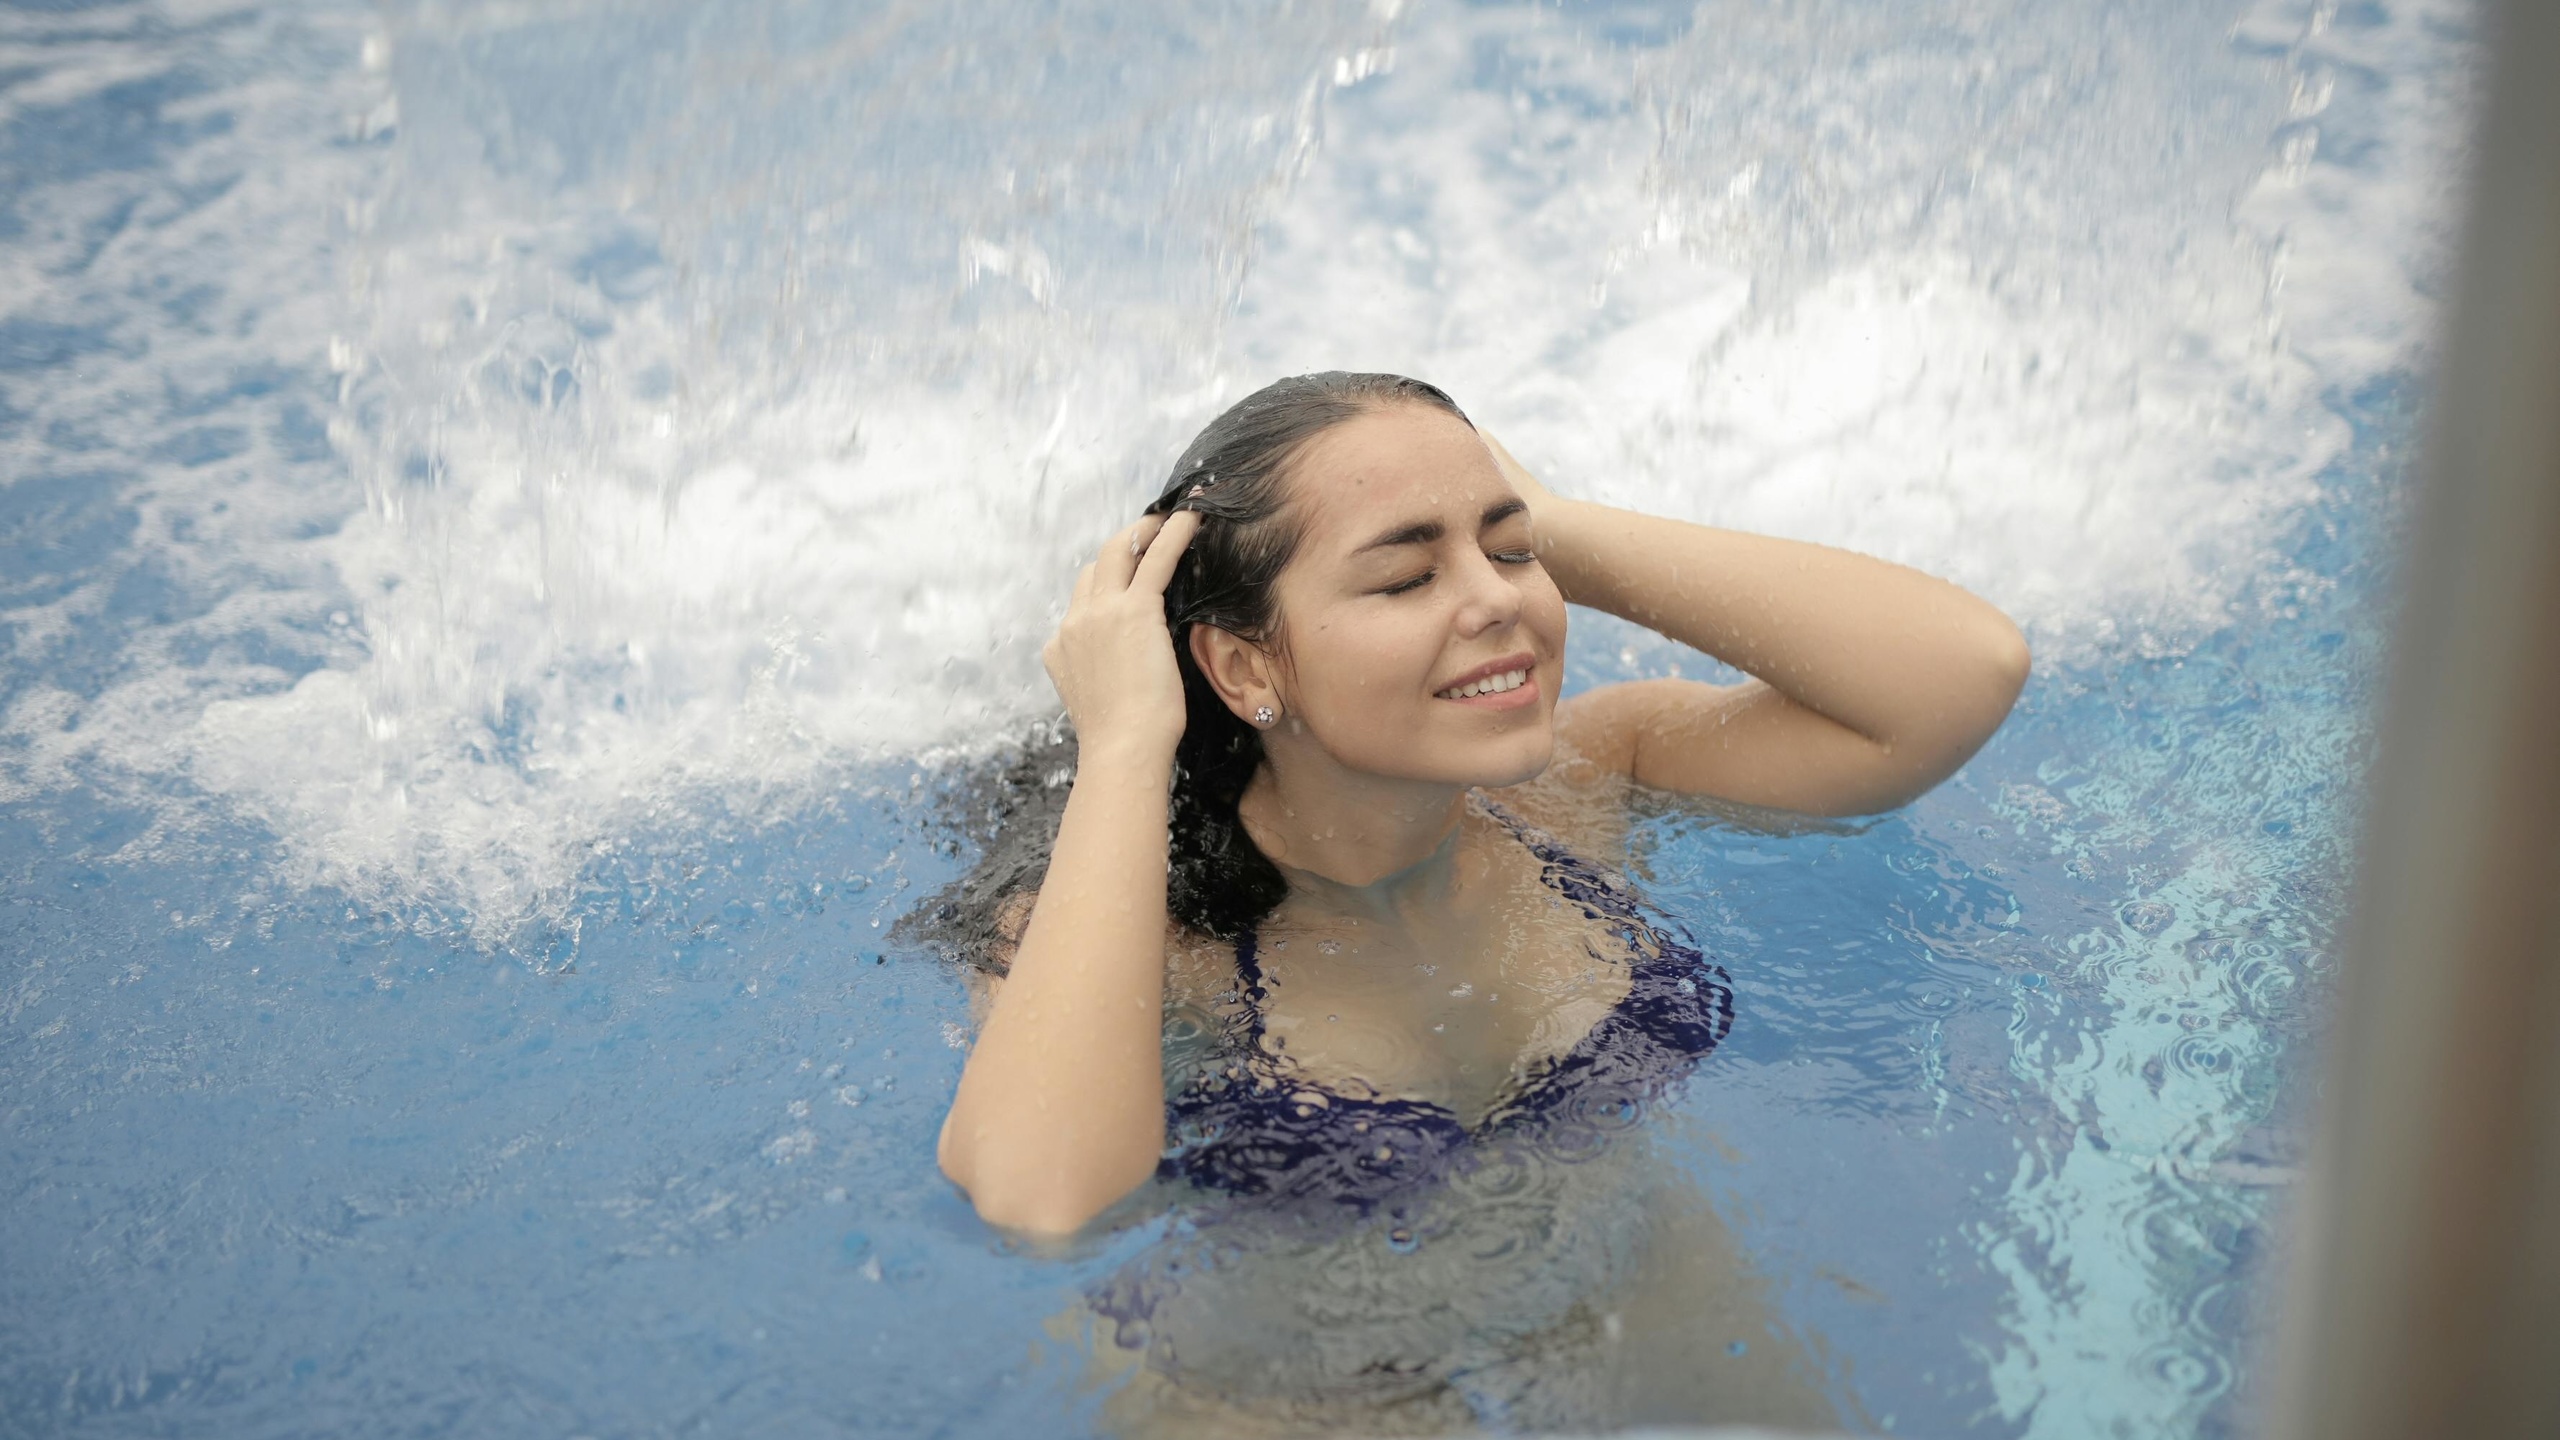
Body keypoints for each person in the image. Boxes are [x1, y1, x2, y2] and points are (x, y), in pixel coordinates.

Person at [932, 371, 2027, 1431]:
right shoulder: (1135, 934)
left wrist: (1554, 525)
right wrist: (1126, 737)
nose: (1498, 597)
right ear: (1243, 667)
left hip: (1622, 1281)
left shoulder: (1586, 785)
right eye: (1407, 579)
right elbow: (1044, 1202)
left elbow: (1958, 675)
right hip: (1293, 1382)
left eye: (1508, 555)